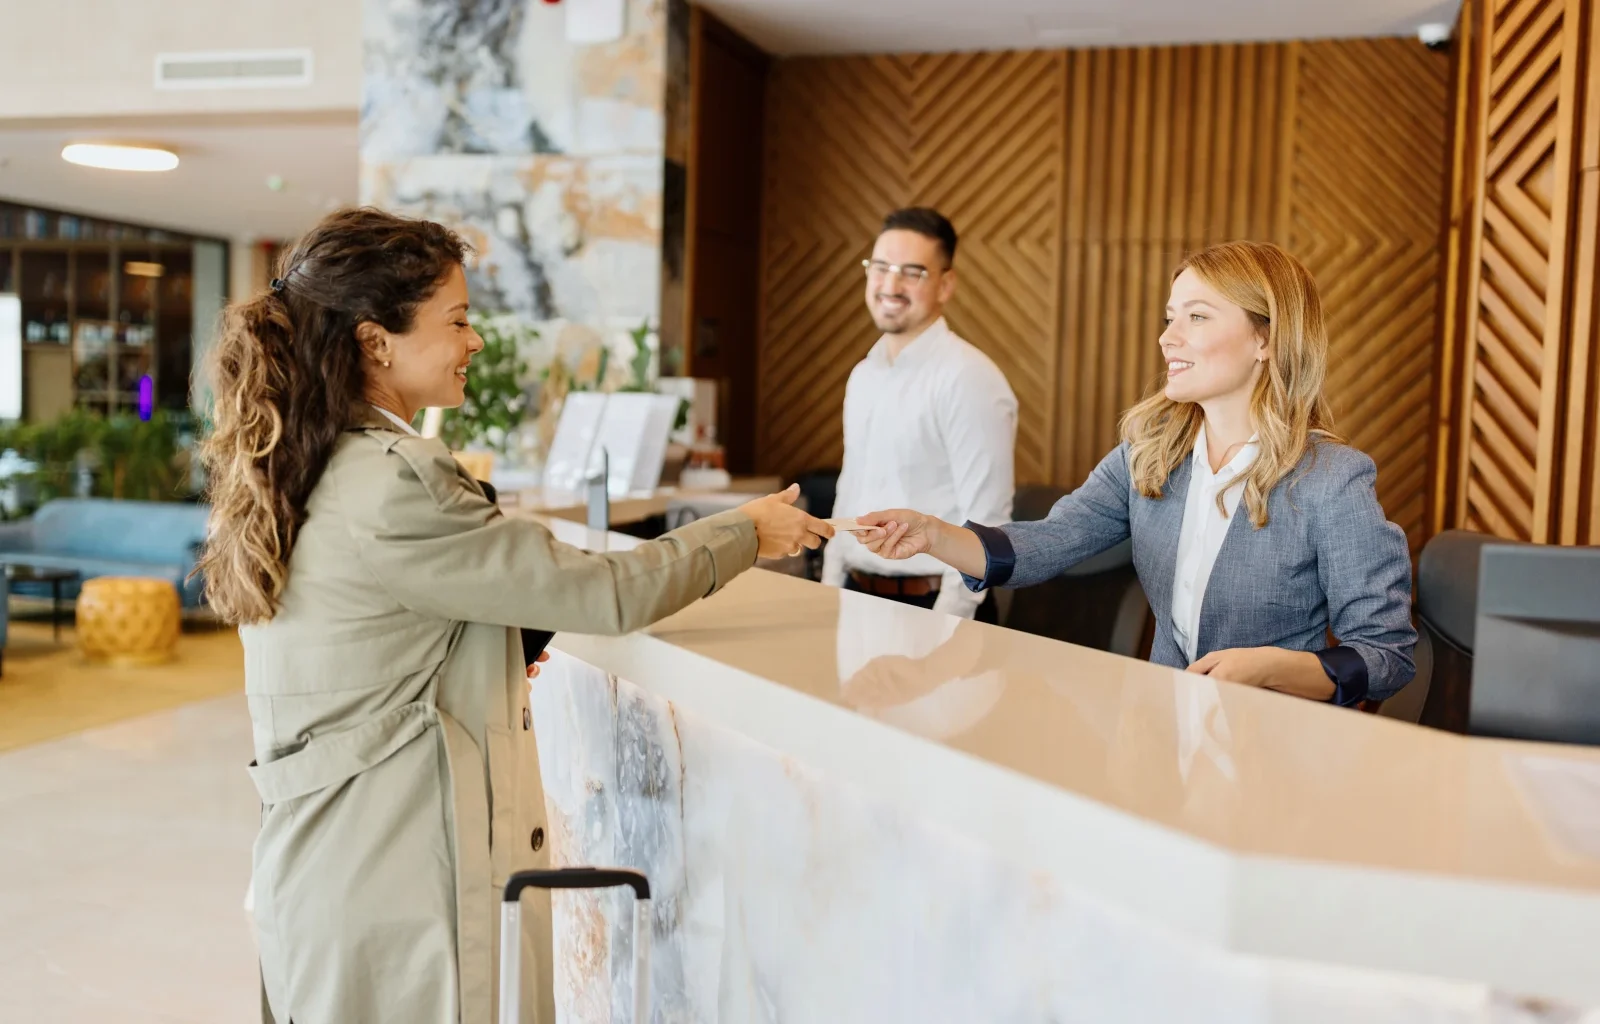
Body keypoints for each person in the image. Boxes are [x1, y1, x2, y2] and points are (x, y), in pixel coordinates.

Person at [196, 207, 831, 1024]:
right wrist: (746, 531)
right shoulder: (395, 480)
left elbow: (393, 634)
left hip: (331, 878)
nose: (476, 342)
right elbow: (606, 594)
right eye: (457, 321)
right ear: (373, 341)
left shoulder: (299, 459)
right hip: (401, 895)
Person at [855, 241, 1416, 705]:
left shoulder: (1331, 479)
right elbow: (1044, 544)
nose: (1167, 338)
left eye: (1196, 317)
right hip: (1159, 739)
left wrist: (1271, 668)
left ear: (1265, 340)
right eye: (1171, 317)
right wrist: (933, 535)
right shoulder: (1148, 454)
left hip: (1274, 760)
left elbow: (1384, 654)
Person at [821, 207, 1018, 622]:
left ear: (945, 285)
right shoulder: (863, 376)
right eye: (880, 267)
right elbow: (850, 488)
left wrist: (943, 630)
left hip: (934, 608)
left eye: (912, 272)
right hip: (857, 602)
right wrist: (830, 598)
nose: (890, 285)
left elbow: (987, 522)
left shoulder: (969, 377)